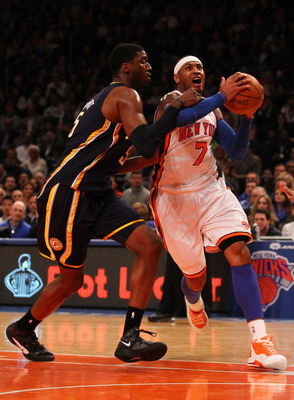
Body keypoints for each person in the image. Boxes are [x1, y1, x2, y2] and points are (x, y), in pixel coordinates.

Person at [5, 43, 199, 364]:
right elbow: (147, 140)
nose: (149, 66)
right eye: (143, 61)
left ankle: (130, 338)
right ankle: (24, 328)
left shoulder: (118, 101)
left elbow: (134, 156)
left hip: (99, 191)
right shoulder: (125, 95)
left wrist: (158, 154)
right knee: (72, 280)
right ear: (125, 68)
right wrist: (176, 108)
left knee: (150, 246)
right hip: (71, 190)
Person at [120, 55, 287, 370]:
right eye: (189, 68)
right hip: (173, 200)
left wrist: (248, 117)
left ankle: (260, 343)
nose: (197, 71)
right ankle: (192, 299)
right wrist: (222, 96)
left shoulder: (213, 109)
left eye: (199, 67)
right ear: (177, 79)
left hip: (211, 190)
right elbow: (181, 119)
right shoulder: (169, 102)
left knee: (239, 252)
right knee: (196, 279)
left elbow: (236, 153)